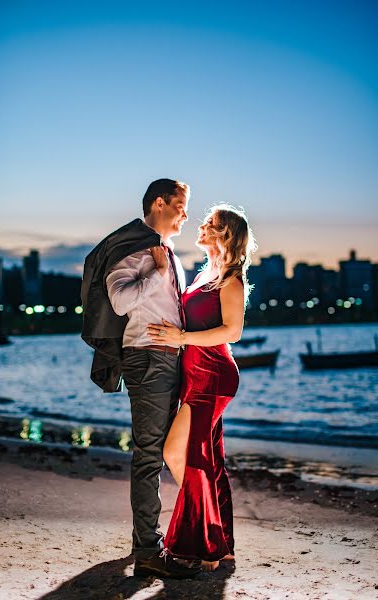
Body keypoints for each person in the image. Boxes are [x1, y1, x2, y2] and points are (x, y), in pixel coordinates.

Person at [147, 204, 256, 572]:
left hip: (213, 375)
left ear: (225, 234)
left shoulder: (231, 279)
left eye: (212, 223)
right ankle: (220, 544)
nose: (203, 225)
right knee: (208, 461)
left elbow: (233, 332)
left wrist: (181, 338)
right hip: (195, 375)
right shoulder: (205, 274)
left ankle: (205, 543)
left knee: (179, 455)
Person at [106, 179, 201, 579]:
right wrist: (156, 274)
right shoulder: (135, 248)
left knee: (162, 452)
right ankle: (148, 550)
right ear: (159, 203)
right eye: (180, 205)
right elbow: (120, 300)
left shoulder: (168, 252)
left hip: (169, 359)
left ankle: (149, 543)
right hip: (147, 358)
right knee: (148, 456)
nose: (184, 213)